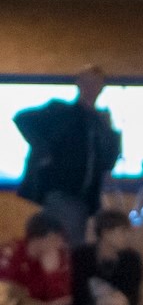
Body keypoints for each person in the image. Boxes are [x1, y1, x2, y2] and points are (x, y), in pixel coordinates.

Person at [14, 66, 121, 247]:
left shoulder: (99, 122)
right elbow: (23, 119)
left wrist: (110, 131)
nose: (91, 88)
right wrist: (44, 150)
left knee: (75, 248)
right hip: (63, 194)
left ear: (102, 88)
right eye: (88, 82)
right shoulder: (62, 112)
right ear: (79, 84)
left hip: (88, 200)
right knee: (64, 246)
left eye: (96, 84)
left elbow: (109, 162)